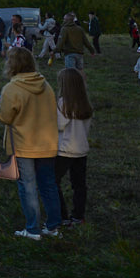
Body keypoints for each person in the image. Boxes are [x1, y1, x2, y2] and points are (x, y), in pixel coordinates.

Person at [0, 45, 61, 240]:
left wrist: (1, 104)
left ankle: (33, 229)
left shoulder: (12, 88)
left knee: (28, 186)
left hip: (23, 144)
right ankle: (53, 226)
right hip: (47, 142)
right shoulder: (46, 85)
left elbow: (5, 117)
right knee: (49, 184)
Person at [54, 68, 92, 227]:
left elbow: (59, 125)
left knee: (53, 181)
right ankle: (78, 216)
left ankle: (62, 216)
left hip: (65, 149)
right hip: (81, 149)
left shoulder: (63, 103)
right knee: (79, 184)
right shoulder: (86, 103)